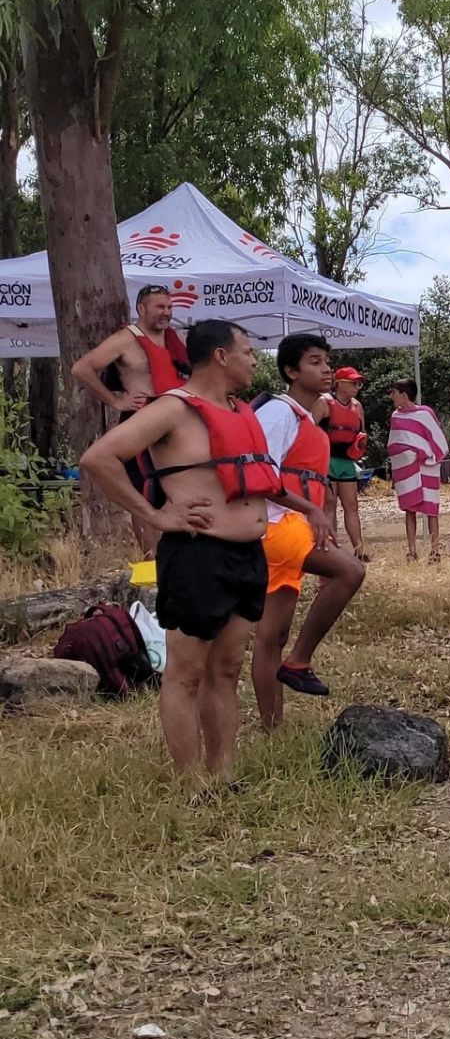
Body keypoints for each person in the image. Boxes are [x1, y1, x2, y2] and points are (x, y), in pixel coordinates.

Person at [77, 320, 324, 792]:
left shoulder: (239, 412)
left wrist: (311, 507)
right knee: (187, 670)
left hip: (247, 555)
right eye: (248, 351)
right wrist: (156, 515)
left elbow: (262, 479)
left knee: (226, 669)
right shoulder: (174, 408)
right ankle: (192, 785)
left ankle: (224, 774)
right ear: (221, 356)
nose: (255, 360)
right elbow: (98, 459)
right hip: (196, 556)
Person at [250, 335, 368, 728]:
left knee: (272, 635)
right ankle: (300, 662)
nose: (326, 369)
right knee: (350, 570)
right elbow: (260, 474)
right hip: (274, 525)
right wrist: (311, 509)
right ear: (290, 371)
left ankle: (272, 728)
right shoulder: (278, 413)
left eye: (327, 362)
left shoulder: (305, 416)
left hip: (293, 523)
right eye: (315, 362)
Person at [69, 283, 192, 554]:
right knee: (145, 491)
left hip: (173, 419)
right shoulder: (126, 338)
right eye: (160, 307)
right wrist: (115, 400)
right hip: (141, 419)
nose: (167, 312)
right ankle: (150, 560)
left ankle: (172, 555)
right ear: (141, 308)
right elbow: (81, 369)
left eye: (170, 307)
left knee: (177, 483)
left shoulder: (174, 338)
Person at [387, 378, 447, 562]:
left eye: (394, 393)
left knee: (431, 508)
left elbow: (437, 439)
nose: (391, 397)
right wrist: (406, 455)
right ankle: (411, 550)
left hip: (426, 467)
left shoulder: (425, 414)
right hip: (406, 469)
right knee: (409, 508)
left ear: (404, 395)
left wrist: (425, 455)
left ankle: (435, 550)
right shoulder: (395, 416)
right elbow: (394, 443)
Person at [323, 366, 372, 560]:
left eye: (359, 383)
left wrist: (361, 444)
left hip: (347, 461)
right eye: (353, 383)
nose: (357, 386)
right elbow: (309, 430)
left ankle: (359, 550)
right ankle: (329, 548)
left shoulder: (357, 406)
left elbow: (362, 433)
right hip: (327, 460)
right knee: (329, 504)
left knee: (352, 505)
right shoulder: (324, 403)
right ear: (339, 383)